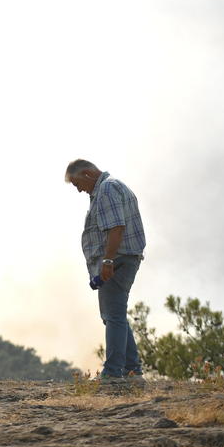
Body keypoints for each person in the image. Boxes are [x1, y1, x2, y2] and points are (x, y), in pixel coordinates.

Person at [64, 160, 146, 385]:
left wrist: (108, 261)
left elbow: (116, 228)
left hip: (118, 261)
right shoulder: (109, 187)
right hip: (120, 260)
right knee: (115, 314)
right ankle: (132, 372)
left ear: (88, 174)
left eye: (77, 183)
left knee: (113, 316)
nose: (79, 189)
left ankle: (113, 373)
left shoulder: (107, 188)